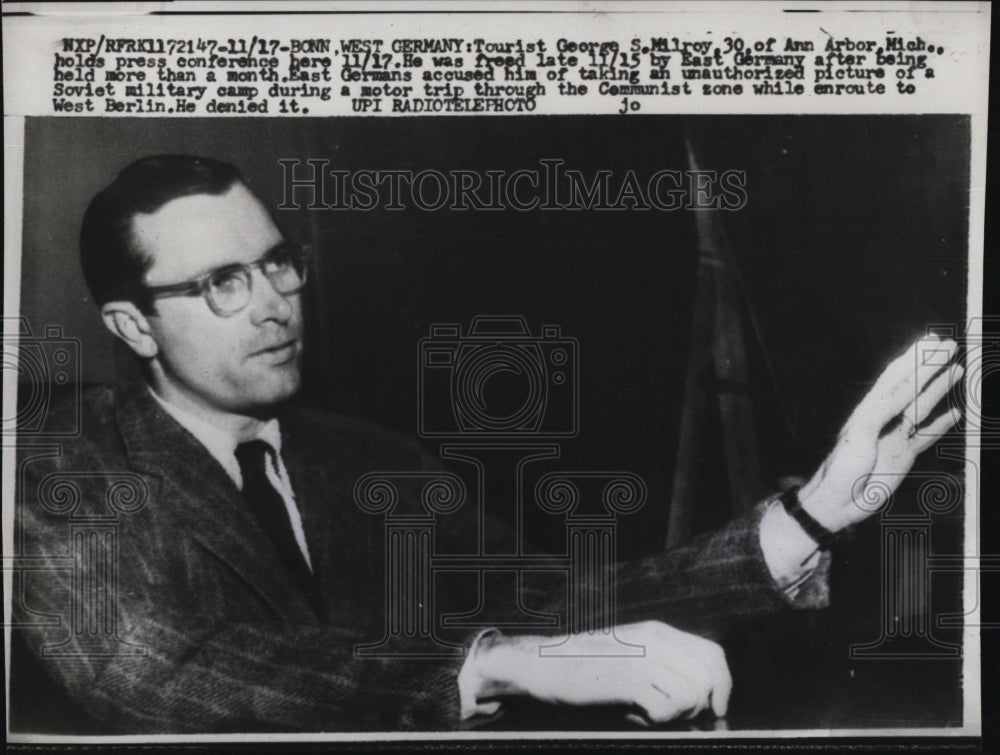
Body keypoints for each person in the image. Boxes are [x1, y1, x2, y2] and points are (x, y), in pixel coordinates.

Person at [10, 155, 964, 734]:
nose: (271, 303)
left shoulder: (366, 460)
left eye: (276, 263)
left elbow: (560, 601)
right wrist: (493, 663)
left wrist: (813, 513)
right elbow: (146, 667)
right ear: (134, 328)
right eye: (221, 282)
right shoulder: (61, 461)